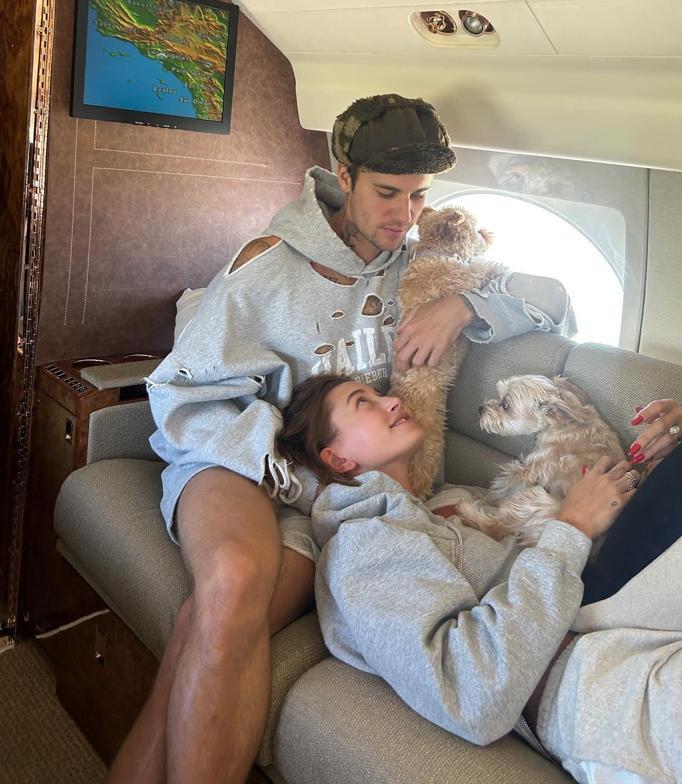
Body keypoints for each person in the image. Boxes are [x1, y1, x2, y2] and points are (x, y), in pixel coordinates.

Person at [108, 94, 574, 784]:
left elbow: (556, 300)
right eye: (387, 193)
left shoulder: (417, 272)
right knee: (232, 580)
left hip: (334, 492)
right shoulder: (267, 265)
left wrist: (464, 304)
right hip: (235, 459)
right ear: (344, 176)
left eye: (419, 195)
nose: (405, 214)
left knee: (202, 627)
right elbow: (183, 391)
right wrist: (278, 462)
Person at [276, 367, 682, 783]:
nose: (391, 400)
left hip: (607, 613)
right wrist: (570, 528)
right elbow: (474, 692)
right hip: (589, 680)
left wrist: (655, 464)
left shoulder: (450, 506)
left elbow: (575, 531)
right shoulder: (362, 542)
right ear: (336, 457)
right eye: (363, 402)